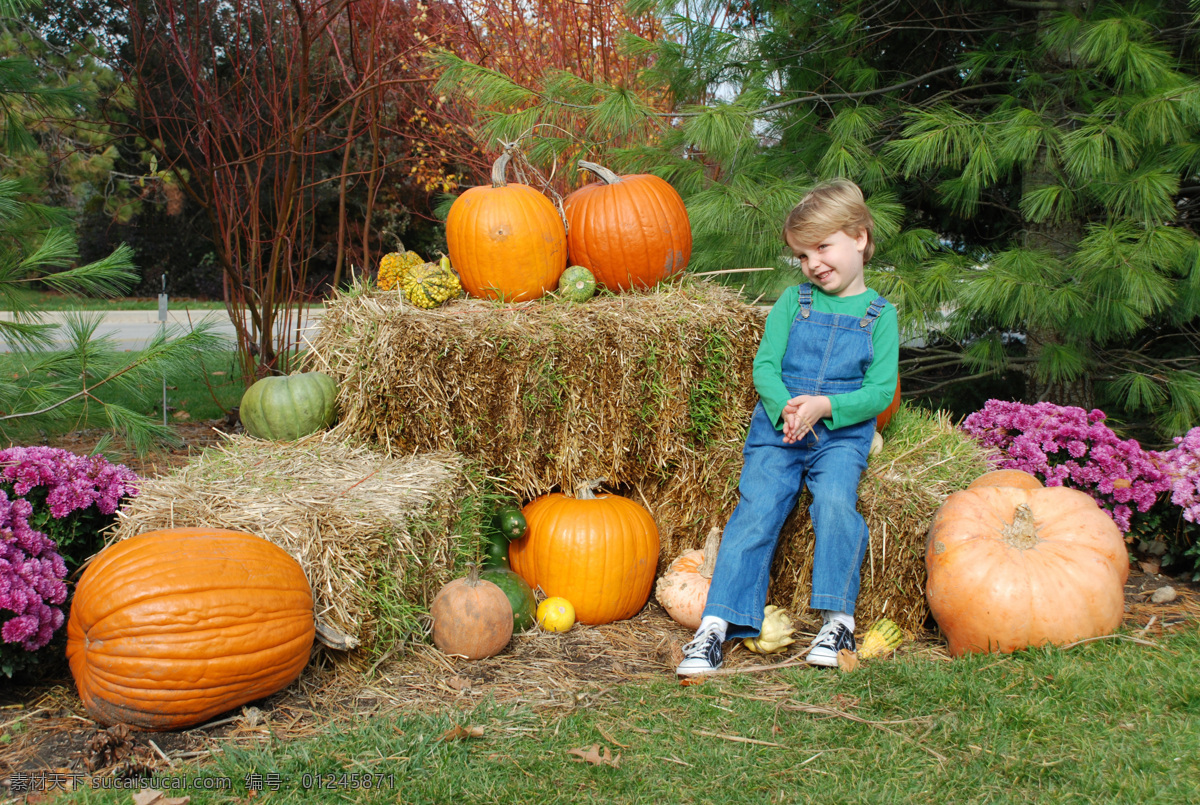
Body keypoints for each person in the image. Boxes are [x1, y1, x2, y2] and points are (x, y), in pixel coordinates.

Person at [676, 178, 900, 675]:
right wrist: (787, 409)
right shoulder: (791, 302)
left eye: (823, 247)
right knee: (756, 510)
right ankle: (715, 623)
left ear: (859, 237)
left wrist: (824, 406)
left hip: (839, 434)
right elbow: (765, 368)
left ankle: (837, 619)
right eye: (802, 255)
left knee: (837, 504)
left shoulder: (880, 316)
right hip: (781, 428)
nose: (813, 263)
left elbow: (881, 392)